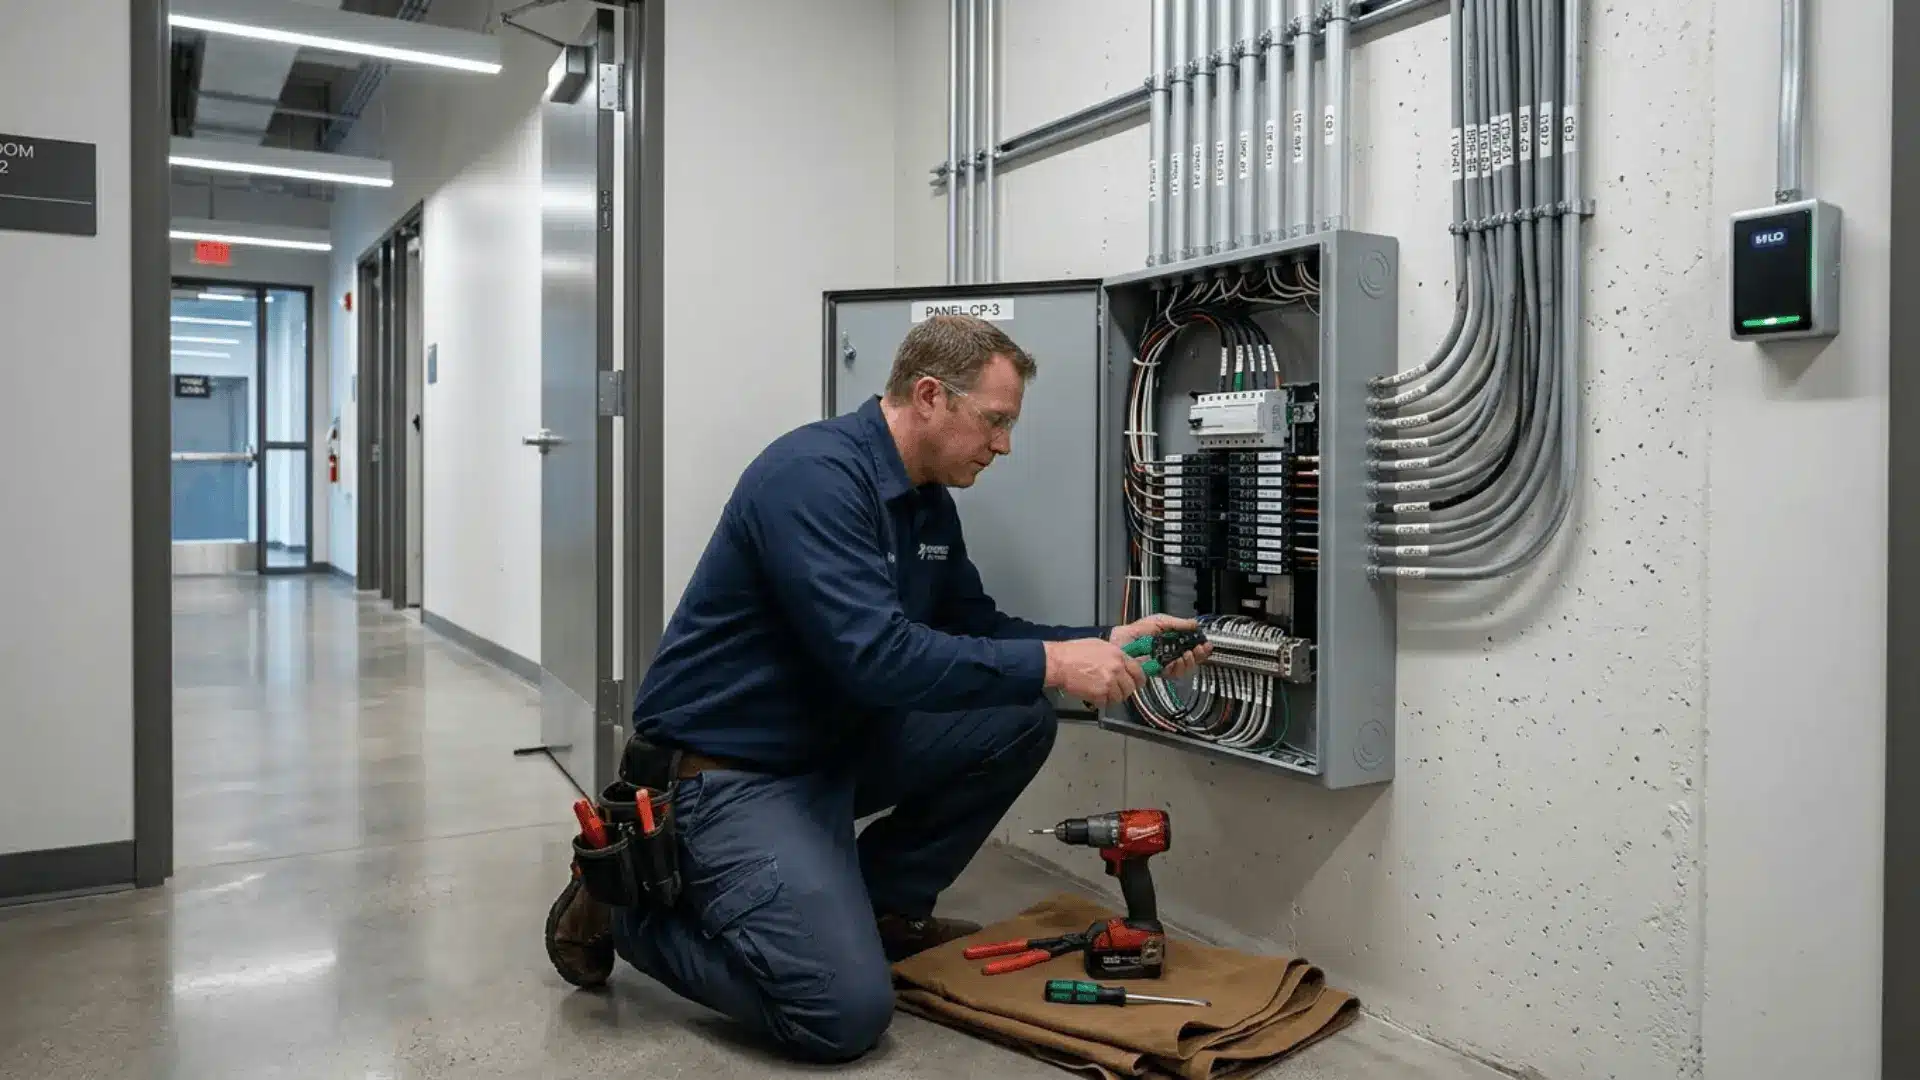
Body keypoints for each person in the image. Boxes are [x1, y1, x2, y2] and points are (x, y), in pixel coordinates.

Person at [542, 314, 1209, 1062]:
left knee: (1017, 716)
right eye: (995, 421)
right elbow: (877, 659)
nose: (1004, 445)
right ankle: (630, 911)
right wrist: (1057, 666)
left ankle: (883, 910)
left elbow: (977, 625)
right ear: (929, 396)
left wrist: (1104, 641)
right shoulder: (812, 478)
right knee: (840, 1014)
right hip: (730, 773)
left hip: (830, 748)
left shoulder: (927, 502)